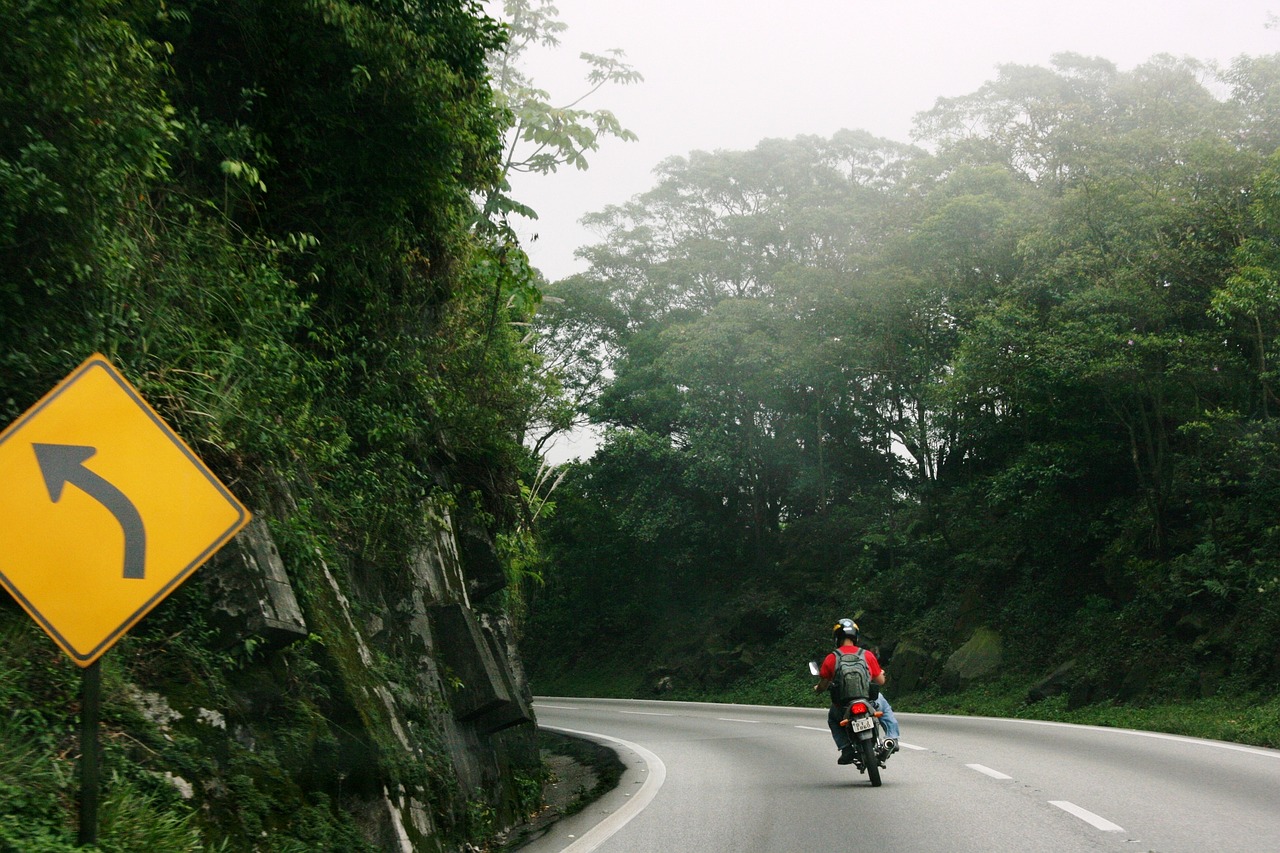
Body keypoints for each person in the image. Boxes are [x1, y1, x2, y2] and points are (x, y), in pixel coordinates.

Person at [812, 618, 897, 764]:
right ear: (855, 637)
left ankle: (846, 748)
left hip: (844, 707)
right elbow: (881, 681)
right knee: (885, 709)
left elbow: (823, 685)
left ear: (837, 638)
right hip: (869, 700)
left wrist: (817, 689)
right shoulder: (867, 655)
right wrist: (880, 673)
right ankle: (892, 738)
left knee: (833, 719)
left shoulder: (831, 658)